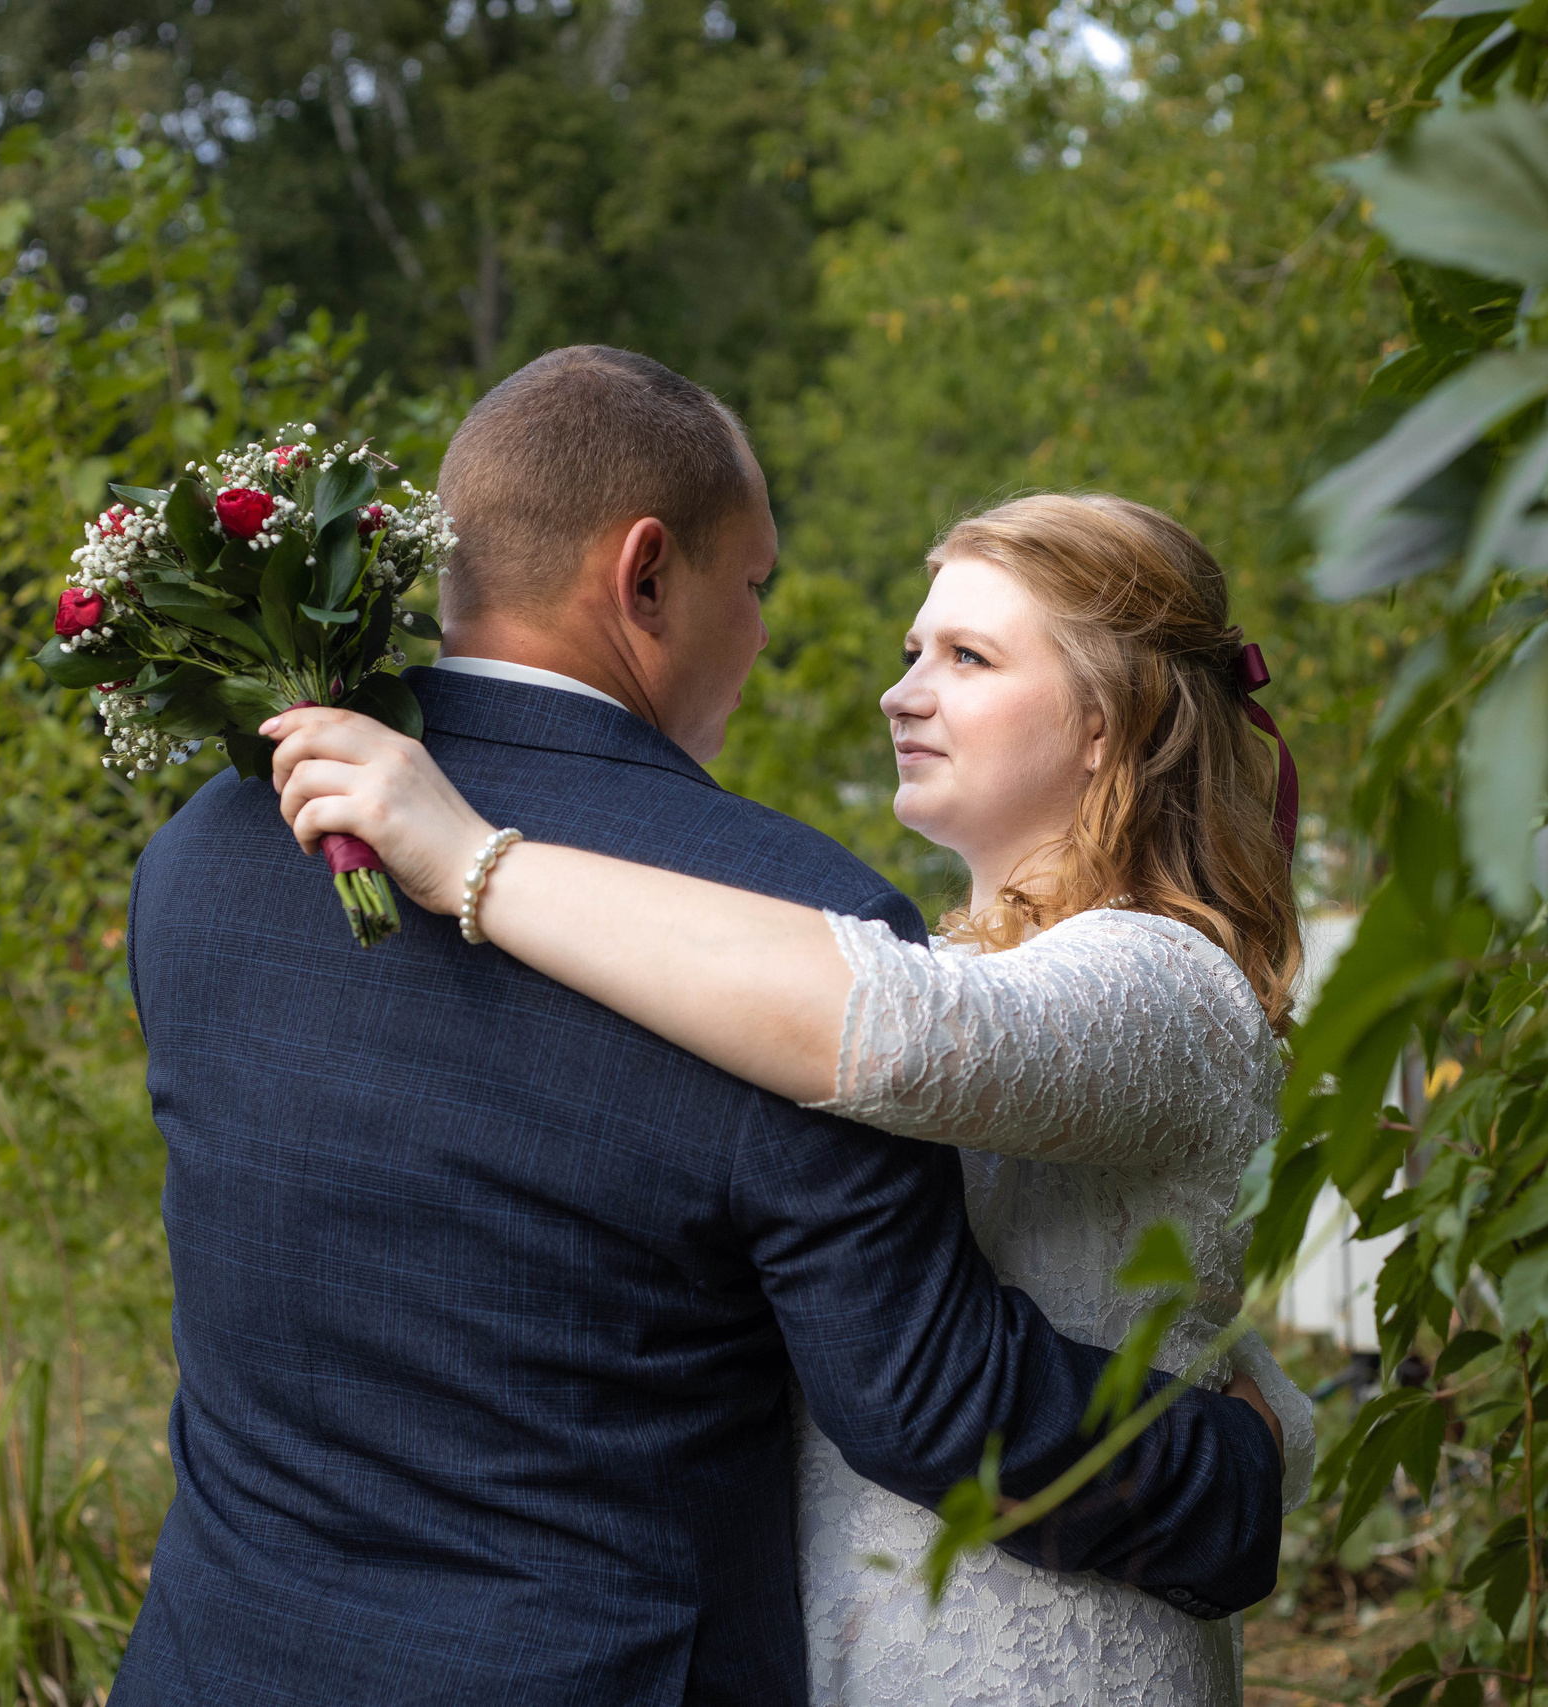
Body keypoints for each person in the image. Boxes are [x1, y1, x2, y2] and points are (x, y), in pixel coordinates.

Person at [110, 347, 1284, 1707]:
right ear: (647, 575)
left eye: (963, 654)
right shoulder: (795, 918)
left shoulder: (207, 849)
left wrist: (478, 861)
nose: (774, 636)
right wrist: (1240, 1477)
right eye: (756, 585)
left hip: (217, 1662)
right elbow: (926, 1400)